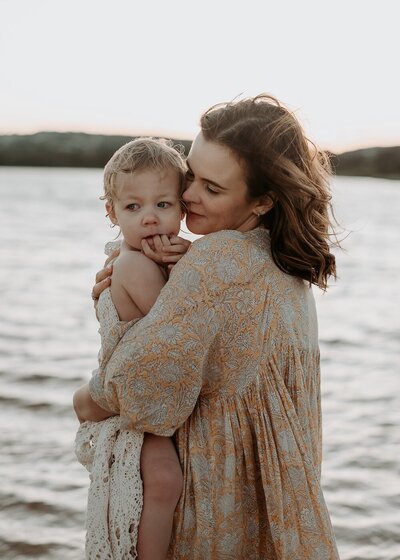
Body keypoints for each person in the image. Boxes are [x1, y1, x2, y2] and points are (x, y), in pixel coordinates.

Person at [75, 94, 341, 559]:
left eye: (212, 188)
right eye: (191, 175)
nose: (189, 195)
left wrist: (83, 400)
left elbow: (142, 388)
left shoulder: (217, 259)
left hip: (212, 509)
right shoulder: (288, 271)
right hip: (275, 514)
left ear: (261, 200)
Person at [74, 137, 191, 560]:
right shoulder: (134, 264)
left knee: (162, 480)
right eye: (133, 207)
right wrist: (193, 265)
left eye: (163, 205)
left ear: (182, 208)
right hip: (132, 406)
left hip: (138, 395)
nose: (149, 219)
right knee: (165, 480)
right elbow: (180, 329)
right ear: (112, 212)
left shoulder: (142, 259)